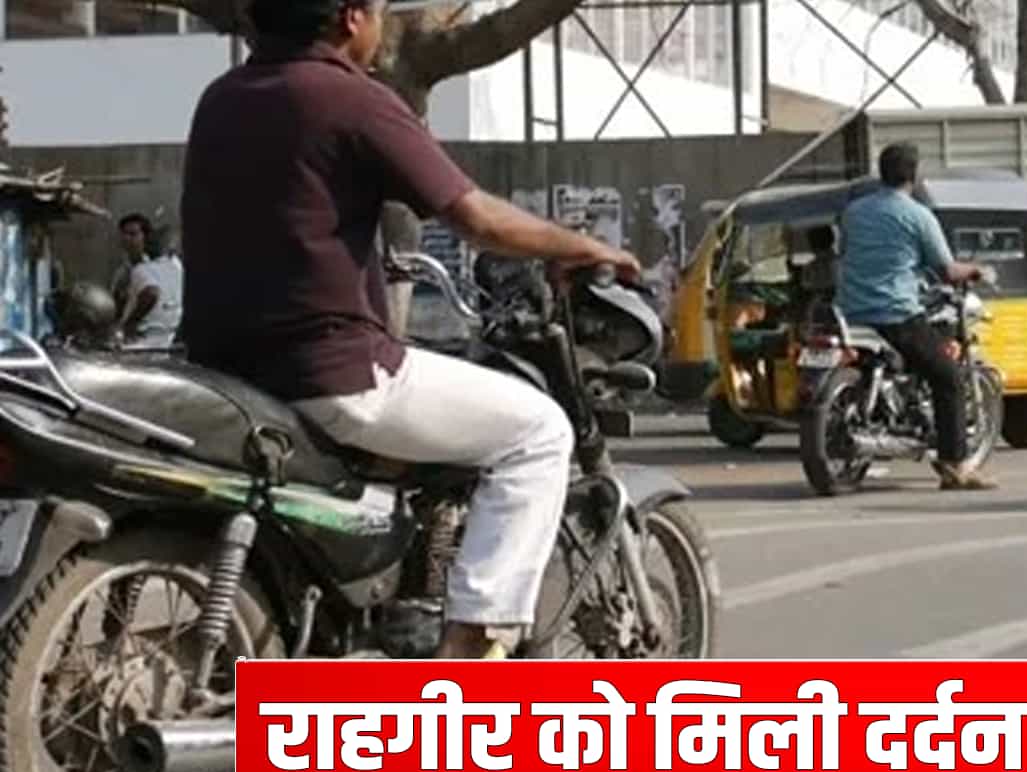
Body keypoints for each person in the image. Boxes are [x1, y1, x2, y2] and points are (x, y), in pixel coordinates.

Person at [178, 0, 643, 660]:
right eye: (379, 10)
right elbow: (478, 218)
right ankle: (472, 644)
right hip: (331, 372)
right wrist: (584, 246)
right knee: (541, 433)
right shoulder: (352, 97)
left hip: (226, 373)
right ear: (350, 18)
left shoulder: (222, 98)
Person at [836, 142, 993, 491]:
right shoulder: (918, 216)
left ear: (881, 172)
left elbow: (844, 252)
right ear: (914, 175)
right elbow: (947, 269)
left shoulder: (853, 212)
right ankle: (955, 466)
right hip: (895, 314)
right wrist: (977, 271)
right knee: (949, 377)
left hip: (849, 313)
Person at [112, 212, 183, 347]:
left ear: (146, 237)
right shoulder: (123, 272)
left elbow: (151, 293)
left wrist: (130, 324)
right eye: (124, 234)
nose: (127, 239)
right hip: (167, 340)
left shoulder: (145, 269)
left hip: (144, 338)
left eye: (133, 234)